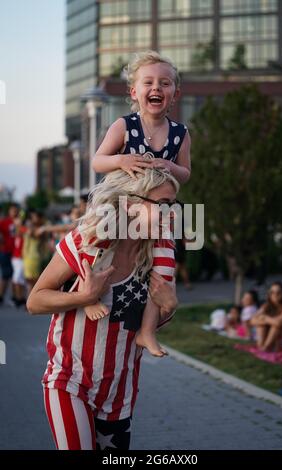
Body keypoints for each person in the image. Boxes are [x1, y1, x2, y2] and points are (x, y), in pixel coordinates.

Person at [26, 167, 179, 450]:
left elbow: (146, 321)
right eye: (164, 205)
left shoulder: (160, 252)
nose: (172, 214)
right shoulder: (86, 240)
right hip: (69, 380)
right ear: (131, 202)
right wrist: (84, 297)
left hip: (119, 391)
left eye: (174, 206)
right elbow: (35, 301)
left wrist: (169, 307)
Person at [92, 50, 191, 351]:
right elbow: (98, 160)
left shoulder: (180, 133)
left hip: (158, 213)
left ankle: (147, 330)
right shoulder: (124, 126)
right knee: (95, 248)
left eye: (165, 83)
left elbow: (185, 173)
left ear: (175, 93)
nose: (156, 88)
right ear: (135, 92)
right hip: (120, 206)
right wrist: (120, 159)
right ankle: (87, 295)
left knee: (164, 268)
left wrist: (172, 168)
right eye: (148, 82)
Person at [250, 281, 282, 352]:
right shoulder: (266, 305)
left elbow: (279, 323)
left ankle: (265, 348)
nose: (275, 295)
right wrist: (264, 320)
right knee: (261, 325)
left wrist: (265, 318)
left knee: (276, 326)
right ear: (269, 294)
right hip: (271, 335)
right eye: (272, 292)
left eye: (278, 293)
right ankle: (261, 346)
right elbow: (252, 320)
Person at [0, 203, 19, 305]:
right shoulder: (5, 222)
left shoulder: (19, 221)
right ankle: (1, 296)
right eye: (13, 210)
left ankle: (15, 296)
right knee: (6, 275)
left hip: (15, 252)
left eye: (16, 210)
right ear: (9, 211)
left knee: (14, 276)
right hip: (5, 251)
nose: (15, 212)